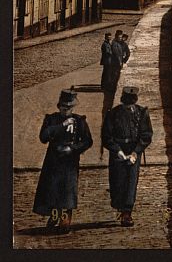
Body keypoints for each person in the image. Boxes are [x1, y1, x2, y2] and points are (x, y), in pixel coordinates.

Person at [33, 90, 93, 234]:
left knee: (68, 190)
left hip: (70, 161)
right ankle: (54, 215)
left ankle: (65, 219)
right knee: (52, 189)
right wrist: (61, 126)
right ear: (59, 107)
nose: (66, 111)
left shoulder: (80, 121)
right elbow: (43, 137)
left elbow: (87, 141)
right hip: (53, 159)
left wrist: (73, 149)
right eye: (64, 108)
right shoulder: (51, 119)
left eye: (70, 108)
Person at [102, 85, 154, 227]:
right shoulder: (113, 114)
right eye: (126, 105)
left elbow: (146, 135)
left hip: (133, 149)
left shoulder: (141, 113)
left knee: (131, 181)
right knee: (117, 180)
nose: (129, 107)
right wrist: (116, 150)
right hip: (117, 150)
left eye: (131, 104)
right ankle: (119, 206)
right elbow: (106, 136)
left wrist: (136, 152)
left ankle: (127, 212)